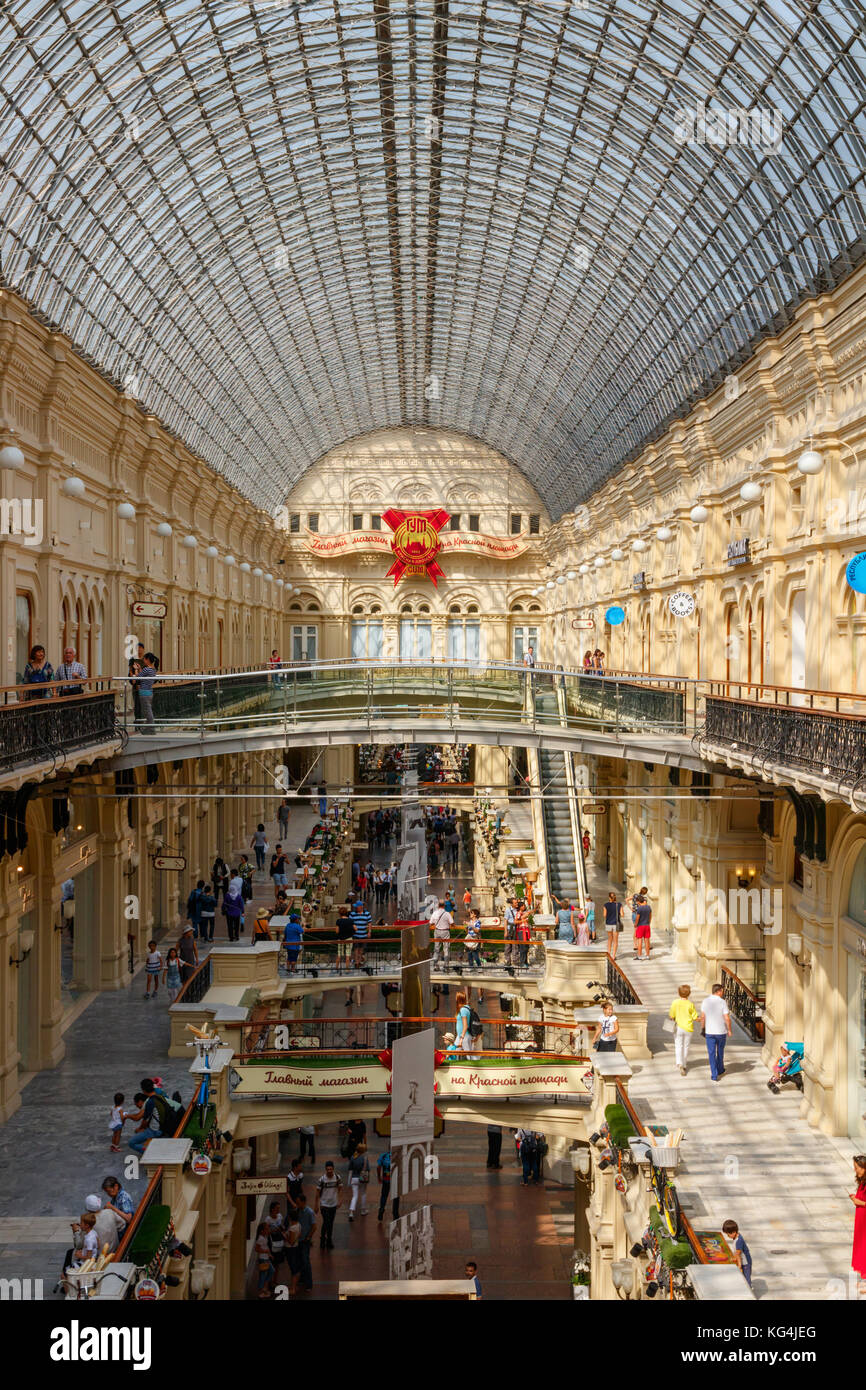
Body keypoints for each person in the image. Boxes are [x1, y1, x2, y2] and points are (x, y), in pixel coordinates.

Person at [700, 983, 732, 1081]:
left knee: (711, 1053)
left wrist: (703, 1028)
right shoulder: (722, 1002)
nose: (723, 992)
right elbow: (727, 1018)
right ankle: (720, 1069)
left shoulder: (705, 1001)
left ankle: (714, 1074)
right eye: (722, 991)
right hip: (721, 1032)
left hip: (710, 1032)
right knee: (720, 1051)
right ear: (718, 991)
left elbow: (702, 1017)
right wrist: (729, 1030)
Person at [668, 984, 699, 1075]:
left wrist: (674, 1018)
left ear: (679, 993)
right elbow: (695, 1017)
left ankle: (679, 1063)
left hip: (678, 1028)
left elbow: (671, 1016)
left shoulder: (675, 1002)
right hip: (688, 1028)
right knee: (686, 1046)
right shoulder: (690, 1004)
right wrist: (702, 1019)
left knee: (678, 1046)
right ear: (689, 994)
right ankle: (684, 1064)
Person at [315, 1161, 342, 1250]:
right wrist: (316, 1205)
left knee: (330, 1223)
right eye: (328, 1169)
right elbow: (317, 1193)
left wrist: (340, 1200)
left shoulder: (337, 1178)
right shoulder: (322, 1179)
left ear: (333, 1168)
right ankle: (323, 1239)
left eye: (331, 1169)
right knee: (327, 1222)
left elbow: (340, 1189)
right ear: (325, 1169)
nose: (329, 1171)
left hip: (333, 1205)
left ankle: (328, 1240)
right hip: (324, 1205)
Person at [294, 1193, 317, 1292]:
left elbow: (314, 1226)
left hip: (304, 1241)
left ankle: (309, 1284)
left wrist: (308, 1237)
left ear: (303, 1202)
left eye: (298, 1203)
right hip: (297, 1241)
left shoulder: (309, 1212)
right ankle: (302, 1279)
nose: (297, 1204)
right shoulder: (297, 1211)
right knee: (300, 1260)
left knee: (306, 1261)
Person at [722, 1219, 753, 1287]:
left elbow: (738, 1252)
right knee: (743, 1277)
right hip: (742, 1261)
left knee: (746, 1278)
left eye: (728, 1234)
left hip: (746, 1263)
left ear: (734, 1232)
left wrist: (738, 1264)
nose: (727, 1236)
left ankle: (749, 1290)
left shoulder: (739, 1241)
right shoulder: (737, 1236)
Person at [849, 1156, 866, 1279]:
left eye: (857, 1168)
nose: (855, 1170)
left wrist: (860, 1202)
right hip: (861, 1222)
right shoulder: (862, 1182)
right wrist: (856, 1199)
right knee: (861, 1248)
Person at [347, 1142, 370, 1220]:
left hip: (354, 1179)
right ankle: (363, 1210)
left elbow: (350, 1170)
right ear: (363, 1150)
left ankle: (351, 1212)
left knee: (355, 1196)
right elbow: (368, 1169)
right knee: (363, 1194)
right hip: (362, 1178)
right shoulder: (365, 1158)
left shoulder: (353, 1157)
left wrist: (349, 1181)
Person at [136, 653, 158, 731]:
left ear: (148, 660)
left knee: (147, 711)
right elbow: (144, 676)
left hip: (144, 692)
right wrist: (139, 669)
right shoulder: (153, 670)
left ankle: (151, 727)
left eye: (144, 659)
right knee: (148, 709)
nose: (143, 661)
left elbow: (138, 677)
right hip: (149, 692)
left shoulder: (146, 669)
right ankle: (149, 726)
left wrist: (136, 670)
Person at [376, 1149, 399, 1222]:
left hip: (386, 1180)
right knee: (396, 1197)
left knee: (384, 1195)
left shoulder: (383, 1156)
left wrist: (379, 1177)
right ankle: (395, 1214)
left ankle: (381, 1209)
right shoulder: (398, 1156)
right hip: (395, 1180)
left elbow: (378, 1167)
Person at [349, 897, 371, 969]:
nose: (355, 908)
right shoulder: (352, 914)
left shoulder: (367, 914)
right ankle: (357, 963)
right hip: (355, 935)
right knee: (356, 949)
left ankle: (359, 961)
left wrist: (369, 932)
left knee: (361, 949)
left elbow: (369, 924)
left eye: (356, 906)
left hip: (363, 934)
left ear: (361, 907)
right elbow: (350, 923)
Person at [431, 898, 453, 969]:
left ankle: (435, 965)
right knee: (446, 949)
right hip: (445, 932)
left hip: (437, 931)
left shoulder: (435, 913)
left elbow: (430, 923)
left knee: (436, 949)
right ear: (444, 906)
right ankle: (446, 965)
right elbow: (452, 923)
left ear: (438, 905)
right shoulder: (447, 914)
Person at [255, 1222, 275, 1298]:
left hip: (266, 1258)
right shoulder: (260, 1238)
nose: (268, 1230)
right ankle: (261, 1291)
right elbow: (257, 1249)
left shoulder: (265, 1237)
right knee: (263, 1275)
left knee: (271, 1271)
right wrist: (265, 1252)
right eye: (266, 1229)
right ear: (262, 1231)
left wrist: (269, 1254)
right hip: (263, 1259)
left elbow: (266, 1246)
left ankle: (264, 1288)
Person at [603, 891, 623, 960]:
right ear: (615, 897)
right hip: (616, 924)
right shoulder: (619, 904)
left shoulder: (606, 905)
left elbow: (604, 915)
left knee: (609, 939)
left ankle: (608, 953)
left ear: (609, 898)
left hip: (608, 923)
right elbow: (622, 914)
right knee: (615, 940)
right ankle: (613, 956)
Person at [632, 893, 652, 960]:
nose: (637, 903)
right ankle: (647, 955)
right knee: (647, 941)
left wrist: (635, 924)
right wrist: (648, 922)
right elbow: (650, 916)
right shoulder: (648, 907)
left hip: (640, 926)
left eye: (637, 902)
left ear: (638, 901)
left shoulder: (640, 908)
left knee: (639, 940)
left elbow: (637, 918)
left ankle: (639, 955)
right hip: (647, 925)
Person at [503, 896, 518, 967]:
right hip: (509, 929)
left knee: (515, 945)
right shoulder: (508, 910)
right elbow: (505, 921)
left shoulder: (518, 910)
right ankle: (507, 962)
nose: (517, 904)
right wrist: (505, 931)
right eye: (515, 903)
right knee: (508, 946)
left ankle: (515, 961)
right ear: (512, 904)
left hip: (516, 929)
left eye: (517, 902)